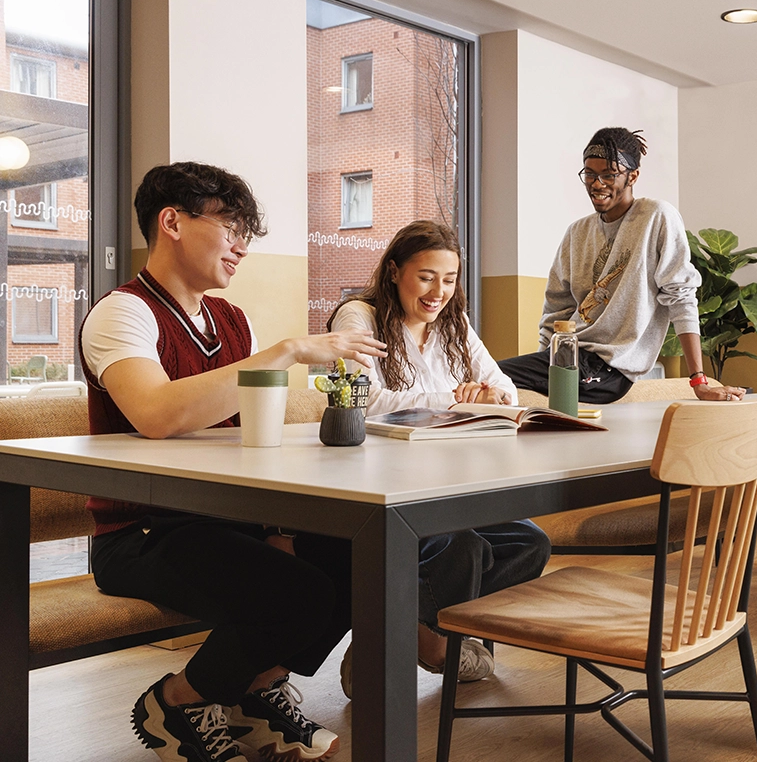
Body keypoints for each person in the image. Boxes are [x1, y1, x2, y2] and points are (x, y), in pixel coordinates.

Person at [79, 162, 387, 762]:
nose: (242, 246)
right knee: (297, 594)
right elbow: (156, 414)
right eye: (230, 227)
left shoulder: (229, 322)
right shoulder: (123, 312)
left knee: (358, 561)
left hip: (225, 518)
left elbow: (246, 436)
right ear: (171, 221)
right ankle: (178, 700)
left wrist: (276, 529)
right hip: (141, 533)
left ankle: (257, 691)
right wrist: (290, 350)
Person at [326, 220, 551, 690]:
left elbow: (505, 389)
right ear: (394, 271)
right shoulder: (359, 317)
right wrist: (454, 398)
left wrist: (487, 396)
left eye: (449, 280)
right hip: (382, 485)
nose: (439, 292)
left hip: (450, 480)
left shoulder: (454, 323)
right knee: (464, 548)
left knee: (530, 543)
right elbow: (362, 399)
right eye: (426, 276)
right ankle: (431, 640)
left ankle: (402, 631)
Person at [497, 127, 744, 403]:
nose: (597, 184)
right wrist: (544, 362)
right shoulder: (576, 233)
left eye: (609, 175)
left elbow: (681, 297)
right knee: (481, 375)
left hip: (609, 369)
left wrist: (699, 380)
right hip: (571, 359)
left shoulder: (656, 217)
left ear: (633, 176)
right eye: (589, 174)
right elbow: (557, 312)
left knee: (486, 375)